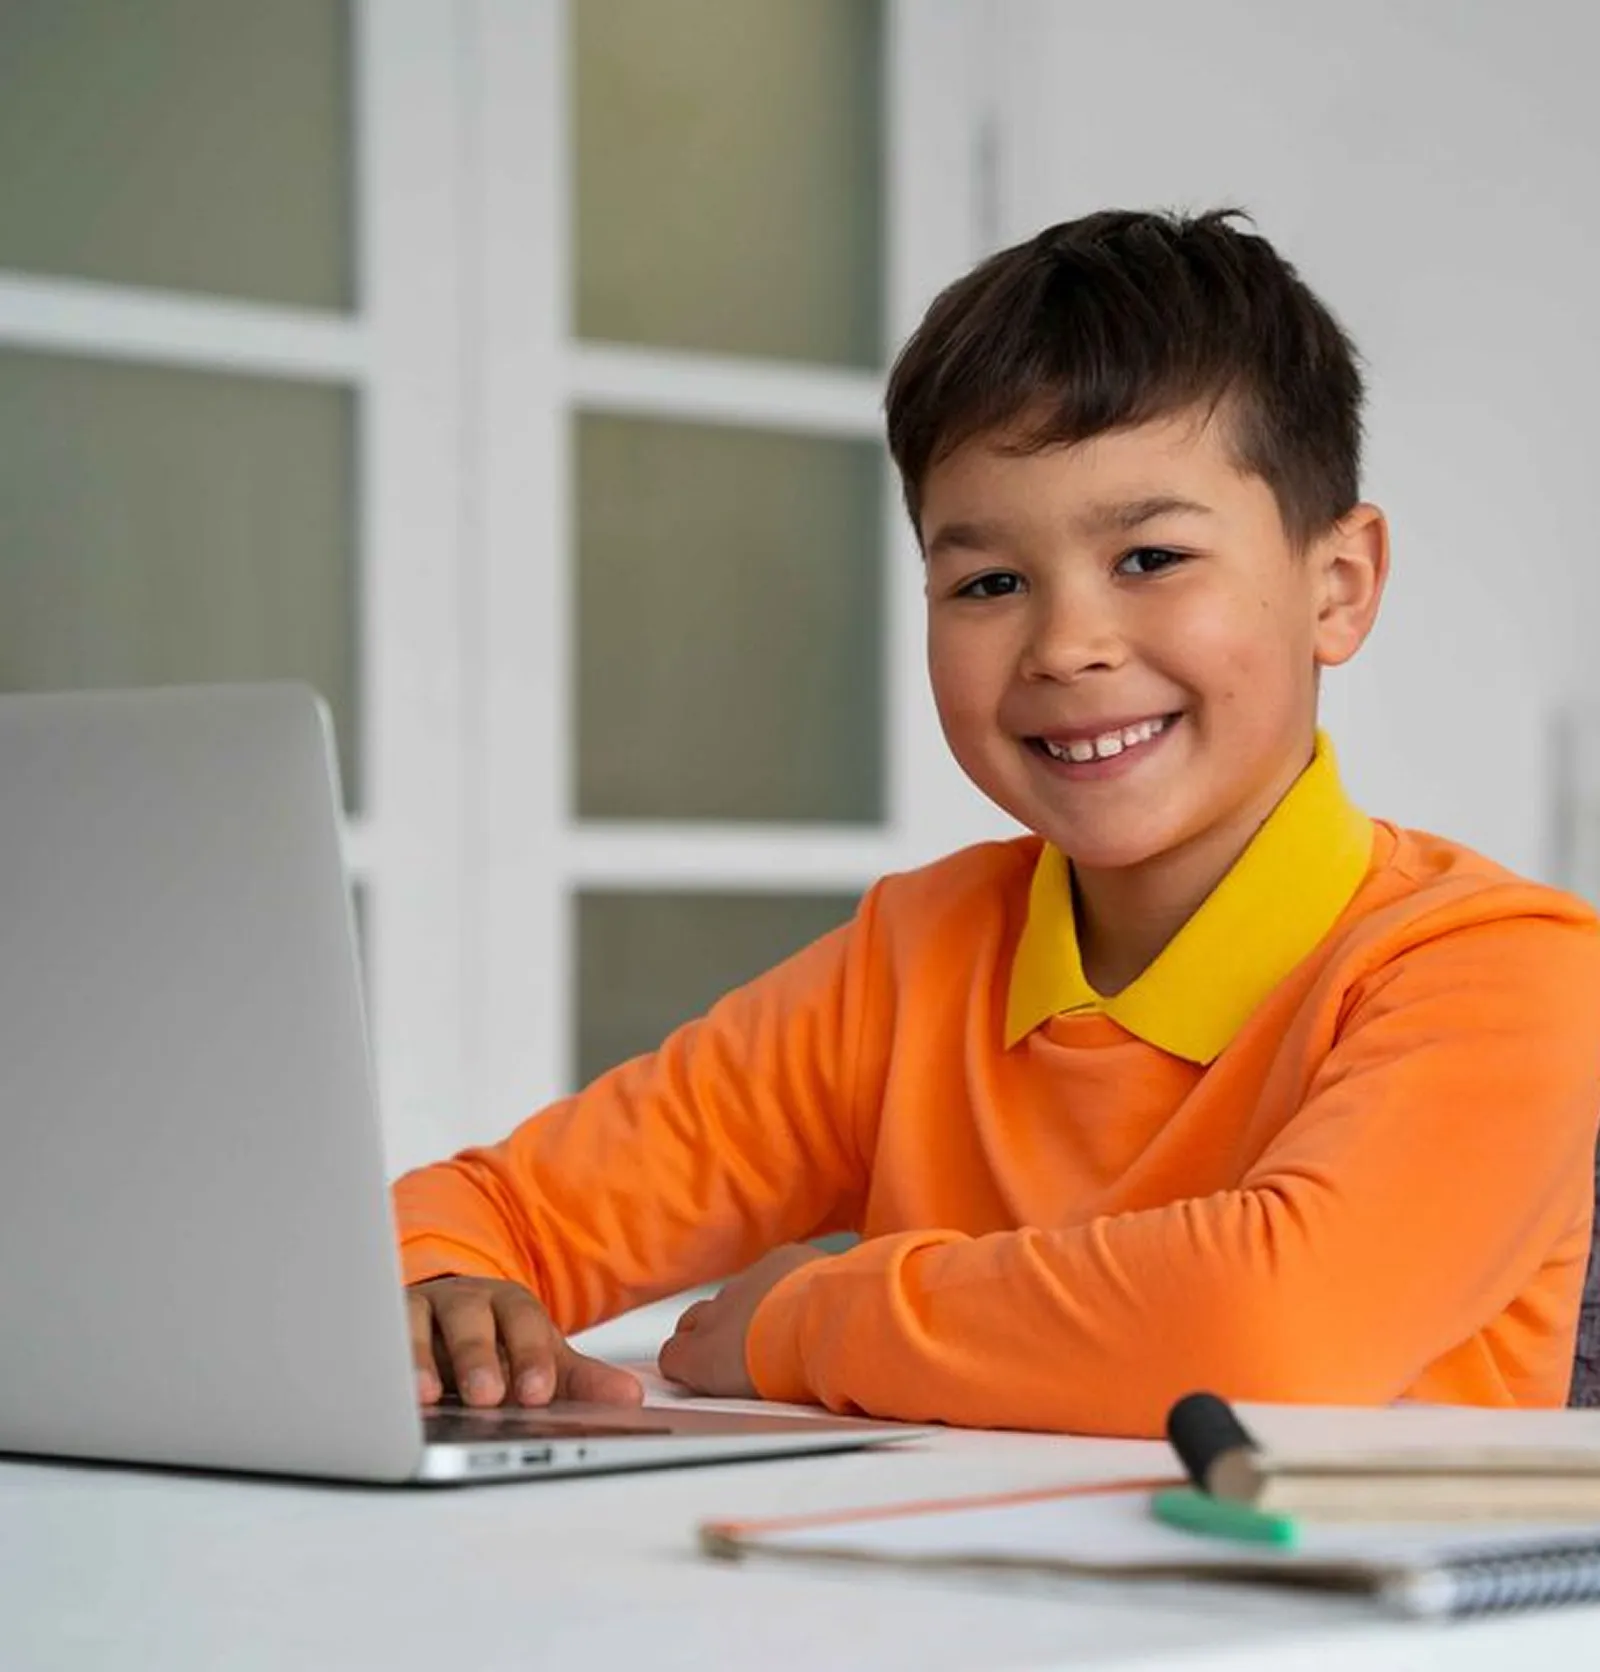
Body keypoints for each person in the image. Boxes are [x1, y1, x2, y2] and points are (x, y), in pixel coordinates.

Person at [394, 208, 1600, 1438]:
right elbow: (500, 1210)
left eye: (1149, 557)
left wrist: (803, 1314)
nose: (1067, 646)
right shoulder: (917, 957)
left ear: (1335, 588)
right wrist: (445, 1286)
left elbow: (1261, 1333)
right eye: (988, 584)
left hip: (1332, 1634)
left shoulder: (1505, 970)